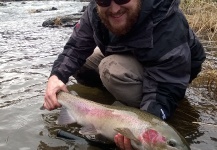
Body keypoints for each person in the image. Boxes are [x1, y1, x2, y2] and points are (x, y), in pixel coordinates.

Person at [44, 0, 206, 149]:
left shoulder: (167, 22)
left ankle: (129, 97)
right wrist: (56, 77)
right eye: (105, 0)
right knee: (84, 63)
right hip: (127, 52)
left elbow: (166, 86)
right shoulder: (95, 10)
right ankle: (112, 101)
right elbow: (76, 48)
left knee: (111, 69)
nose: (114, 8)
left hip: (174, 69)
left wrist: (149, 117)